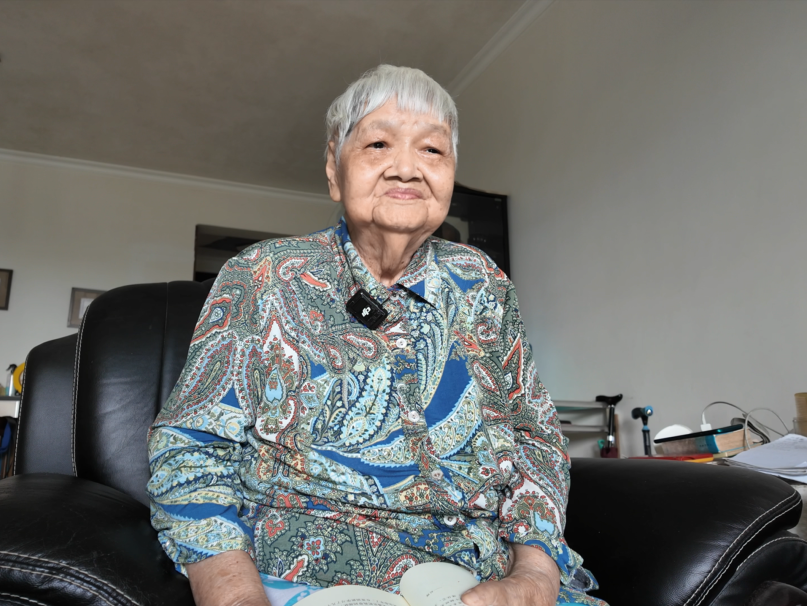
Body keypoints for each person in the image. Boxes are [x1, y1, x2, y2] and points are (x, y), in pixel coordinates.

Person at [147, 65, 606, 606]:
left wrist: (534, 575)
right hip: (311, 572)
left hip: (486, 574)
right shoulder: (264, 276)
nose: (407, 168)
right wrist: (235, 596)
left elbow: (535, 436)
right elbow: (189, 450)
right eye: (378, 144)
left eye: (432, 150)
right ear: (334, 170)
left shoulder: (483, 283)